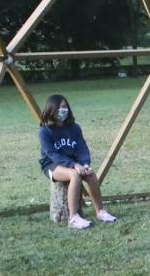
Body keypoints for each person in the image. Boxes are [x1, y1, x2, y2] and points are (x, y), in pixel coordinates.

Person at [38, 94, 115, 229]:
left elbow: (82, 148)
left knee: (90, 174)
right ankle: (73, 218)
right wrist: (74, 165)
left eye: (65, 107)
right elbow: (52, 154)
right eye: (59, 107)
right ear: (51, 109)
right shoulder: (45, 131)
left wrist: (85, 163)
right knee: (74, 175)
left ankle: (100, 211)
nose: (63, 110)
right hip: (52, 165)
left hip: (73, 163)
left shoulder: (74, 128)